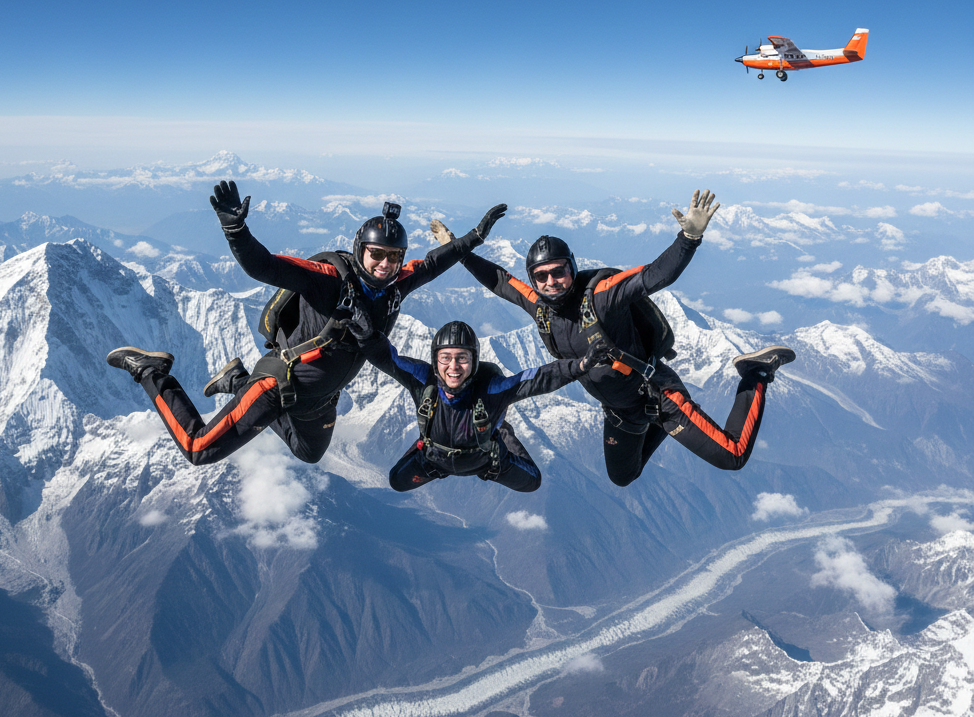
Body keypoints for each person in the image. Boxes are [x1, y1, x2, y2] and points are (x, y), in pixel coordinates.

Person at [106, 182, 507, 466]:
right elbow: (265, 266)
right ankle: (152, 373)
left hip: (319, 401)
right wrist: (236, 230)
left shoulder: (396, 286)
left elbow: (435, 263)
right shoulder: (328, 278)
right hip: (277, 387)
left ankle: (234, 379)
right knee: (197, 449)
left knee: (308, 452)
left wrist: (474, 237)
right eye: (376, 255)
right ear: (359, 250)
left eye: (393, 257)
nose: (385, 265)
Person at [430, 190, 795, 487]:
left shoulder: (602, 295)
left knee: (732, 456)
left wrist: (690, 237)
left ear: (572, 268)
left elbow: (654, 276)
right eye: (541, 277)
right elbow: (499, 280)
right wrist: (455, 248)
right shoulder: (540, 308)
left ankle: (755, 373)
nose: (551, 282)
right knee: (623, 476)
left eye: (559, 271)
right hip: (621, 413)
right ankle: (662, 427)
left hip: (659, 397)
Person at [346, 316, 608, 492]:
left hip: (487, 462)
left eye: (462, 358)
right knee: (397, 482)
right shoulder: (422, 381)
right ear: (435, 360)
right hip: (434, 460)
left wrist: (581, 365)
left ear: (474, 362)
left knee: (532, 482)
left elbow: (538, 379)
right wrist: (366, 336)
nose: (453, 367)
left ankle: (502, 432)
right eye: (445, 358)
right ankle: (484, 434)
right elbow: (387, 359)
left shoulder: (491, 389)